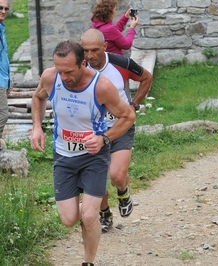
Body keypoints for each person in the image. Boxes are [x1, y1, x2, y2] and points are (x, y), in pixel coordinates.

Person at [30, 40, 136, 266]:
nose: (64, 76)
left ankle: (88, 261)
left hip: (93, 157)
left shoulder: (101, 86)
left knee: (88, 217)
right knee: (69, 219)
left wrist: (104, 138)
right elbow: (38, 97)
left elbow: (128, 116)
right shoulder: (50, 77)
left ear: (83, 64)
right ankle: (95, 204)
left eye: (69, 71)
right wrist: (37, 128)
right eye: (60, 71)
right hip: (63, 156)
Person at [81, 28, 152, 233]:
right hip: (92, 130)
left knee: (117, 175)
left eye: (95, 50)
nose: (90, 56)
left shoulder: (121, 63)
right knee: (98, 178)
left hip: (121, 126)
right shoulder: (80, 66)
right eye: (85, 50)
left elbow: (146, 77)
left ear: (105, 47)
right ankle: (104, 214)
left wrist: (134, 104)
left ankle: (123, 192)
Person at [0, 0, 11, 149]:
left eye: (6, 8)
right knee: (3, 115)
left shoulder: (1, 28)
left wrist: (8, 80)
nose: (3, 11)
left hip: (3, 80)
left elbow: (4, 58)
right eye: (0, 7)